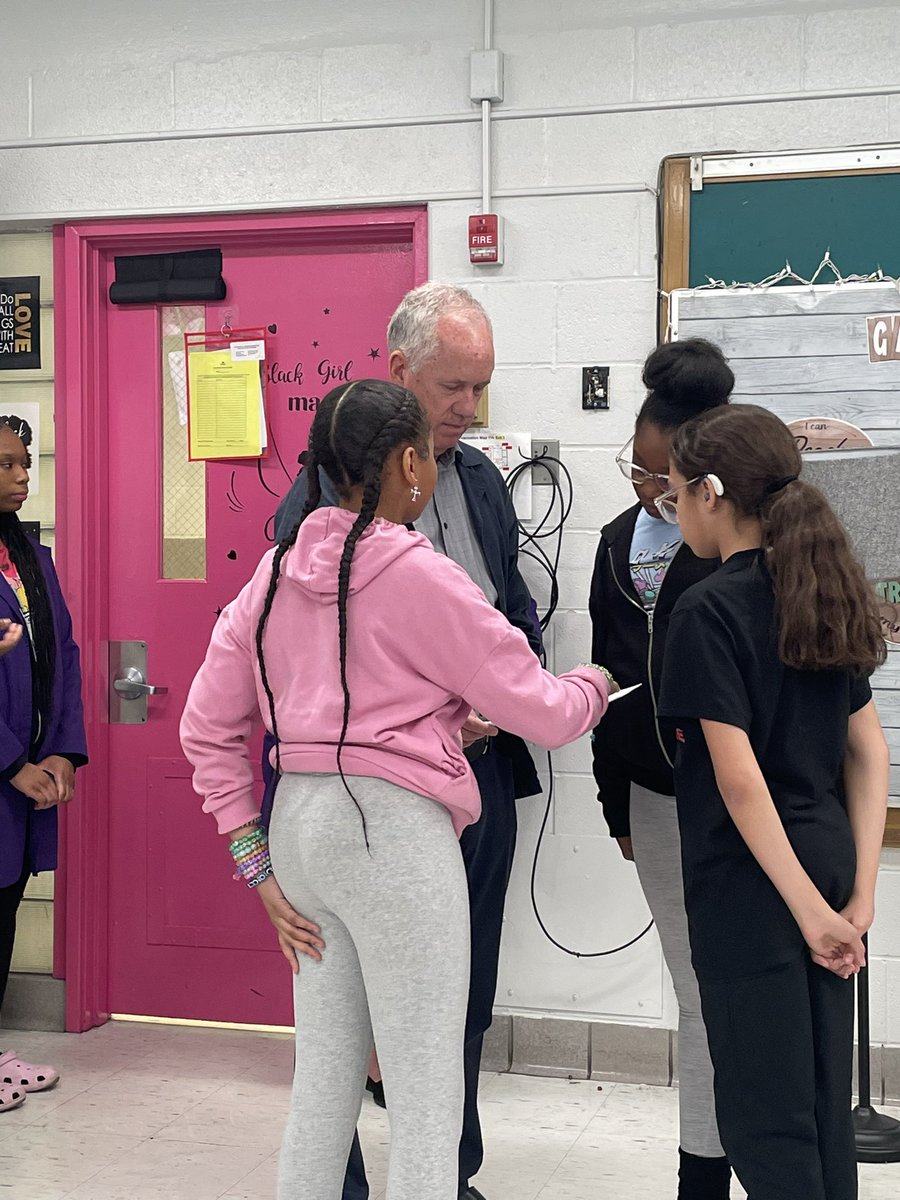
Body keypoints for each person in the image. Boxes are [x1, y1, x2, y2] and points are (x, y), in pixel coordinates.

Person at [180, 380, 615, 1200]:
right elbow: (550, 714)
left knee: (323, 1087)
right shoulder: (419, 571)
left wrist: (255, 865)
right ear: (411, 462)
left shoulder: (271, 575)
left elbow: (208, 726)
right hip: (394, 843)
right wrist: (595, 680)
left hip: (300, 834)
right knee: (424, 1093)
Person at [274, 282, 541, 1200]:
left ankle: (447, 1172)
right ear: (399, 373)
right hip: (365, 806)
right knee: (341, 1020)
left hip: (478, 779)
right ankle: (349, 1180)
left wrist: (499, 704)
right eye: (454, 388)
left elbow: (516, 618)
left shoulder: (481, 484)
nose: (469, 410)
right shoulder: (312, 505)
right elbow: (292, 667)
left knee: (456, 1003)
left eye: (482, 389)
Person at [657, 403, 889, 1200]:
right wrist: (856, 893)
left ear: (713, 493)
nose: (676, 509)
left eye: (678, 493)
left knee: (766, 1119)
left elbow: (740, 781)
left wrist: (807, 911)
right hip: (826, 872)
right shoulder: (821, 588)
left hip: (754, 892)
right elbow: (870, 753)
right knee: (823, 1109)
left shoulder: (705, 611)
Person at [588, 338, 734, 1199]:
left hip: (740, 802)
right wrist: (614, 804)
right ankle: (700, 1174)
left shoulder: (739, 545)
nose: (646, 496)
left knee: (730, 993)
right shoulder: (617, 540)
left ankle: (737, 1157)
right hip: (652, 794)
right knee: (694, 994)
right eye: (637, 474)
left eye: (663, 483)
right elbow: (608, 676)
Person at [0, 419, 88, 1113]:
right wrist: (10, 764)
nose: (22, 477)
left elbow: (65, 654)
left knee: (5, 911)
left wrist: (60, 751)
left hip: (30, 774)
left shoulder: (32, 554)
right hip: (4, 774)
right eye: (5, 465)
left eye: (25, 463)